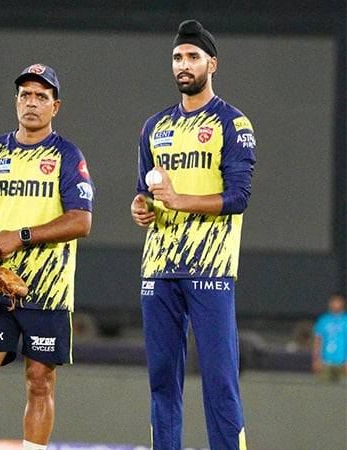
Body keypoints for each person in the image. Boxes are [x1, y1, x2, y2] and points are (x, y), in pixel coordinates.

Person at [0, 64, 94, 450]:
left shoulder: (67, 155)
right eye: (25, 95)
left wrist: (21, 237)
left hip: (47, 289)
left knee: (39, 381)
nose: (32, 103)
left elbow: (81, 221)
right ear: (16, 101)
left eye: (41, 97)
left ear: (56, 106)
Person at [130, 20, 256, 450]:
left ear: (212, 64)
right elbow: (145, 192)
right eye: (178, 57)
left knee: (220, 383)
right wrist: (141, 207)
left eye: (193, 57)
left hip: (211, 269)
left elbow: (238, 197)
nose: (183, 65)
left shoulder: (232, 123)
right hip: (159, 269)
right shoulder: (154, 127)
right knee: (162, 382)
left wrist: (181, 200)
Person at [312, 293, 347, 382]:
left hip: (342, 363)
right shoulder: (323, 320)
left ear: (343, 303)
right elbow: (317, 340)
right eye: (333, 301)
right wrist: (316, 360)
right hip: (325, 362)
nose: (336, 304)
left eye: (338, 301)